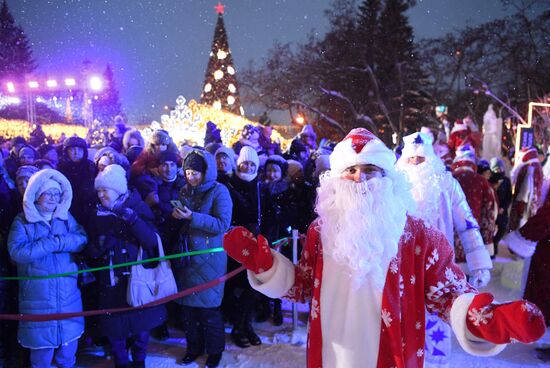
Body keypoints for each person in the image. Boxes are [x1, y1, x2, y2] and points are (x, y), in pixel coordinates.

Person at [223, 128, 546, 368]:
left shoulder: (419, 235)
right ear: (336, 179)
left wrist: (484, 318)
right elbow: (304, 286)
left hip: (392, 356)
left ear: (389, 178)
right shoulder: (321, 231)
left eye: (370, 170)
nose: (360, 179)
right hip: (331, 354)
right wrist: (267, 266)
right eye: (350, 170)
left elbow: (447, 293)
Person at [395, 132, 493, 368]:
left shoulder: (447, 184)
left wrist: (479, 262)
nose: (417, 165)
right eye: (412, 160)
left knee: (435, 326)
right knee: (401, 329)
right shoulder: (394, 185)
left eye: (421, 160)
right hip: (400, 269)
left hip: (438, 269)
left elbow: (467, 223)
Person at [85, 164, 166, 368]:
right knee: (115, 327)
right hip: (110, 280)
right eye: (99, 190)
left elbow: (151, 241)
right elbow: (91, 251)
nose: (101, 194)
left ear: (119, 190)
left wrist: (133, 220)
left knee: (141, 325)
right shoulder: (97, 214)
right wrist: (100, 245)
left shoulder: (138, 208)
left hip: (137, 276)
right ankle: (120, 361)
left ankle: (139, 359)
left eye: (106, 190)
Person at [7, 169, 87, 368]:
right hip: (38, 298)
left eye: (57, 194)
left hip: (68, 295)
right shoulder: (22, 221)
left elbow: (81, 240)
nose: (53, 198)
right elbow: (17, 252)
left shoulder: (65, 217)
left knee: (68, 352)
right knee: (41, 356)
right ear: (36, 194)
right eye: (48, 193)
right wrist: (50, 244)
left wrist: (59, 242)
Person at [171, 149, 232, 368]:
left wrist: (192, 217)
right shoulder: (184, 191)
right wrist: (177, 215)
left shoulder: (219, 191)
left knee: (209, 309)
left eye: (196, 172)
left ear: (206, 172)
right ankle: (193, 347)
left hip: (209, 259)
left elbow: (222, 225)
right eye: (188, 172)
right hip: (187, 258)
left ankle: (214, 351)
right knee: (189, 309)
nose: (191, 177)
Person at [509, 147, 542, 230]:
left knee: (520, 230)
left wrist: (520, 206)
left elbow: (525, 191)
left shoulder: (529, 168)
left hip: (524, 208)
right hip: (533, 206)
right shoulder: (538, 167)